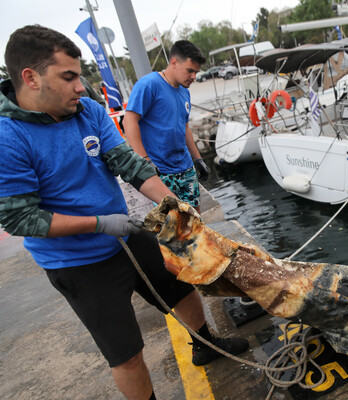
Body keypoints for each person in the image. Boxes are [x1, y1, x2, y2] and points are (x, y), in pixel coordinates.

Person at [0, 25, 247, 400]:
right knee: (127, 354)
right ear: (30, 78)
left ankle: (205, 346)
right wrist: (99, 224)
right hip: (78, 264)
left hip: (127, 236)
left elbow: (129, 164)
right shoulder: (8, 138)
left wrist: (173, 207)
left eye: (80, 76)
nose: (81, 86)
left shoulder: (90, 111)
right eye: (68, 77)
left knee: (180, 287)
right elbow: (20, 218)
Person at [123, 40, 210, 215]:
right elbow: (129, 121)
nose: (194, 77)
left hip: (185, 167)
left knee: (195, 218)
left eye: (196, 72)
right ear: (173, 62)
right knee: (172, 224)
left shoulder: (184, 91)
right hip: (161, 171)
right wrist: (144, 161)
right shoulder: (149, 85)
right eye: (190, 71)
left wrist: (198, 158)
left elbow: (184, 126)